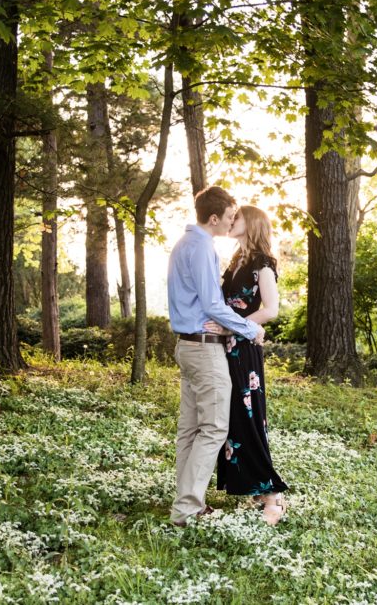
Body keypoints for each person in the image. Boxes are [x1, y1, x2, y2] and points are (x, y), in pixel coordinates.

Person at [167, 186, 266, 527]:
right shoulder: (202, 247)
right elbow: (212, 304)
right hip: (204, 348)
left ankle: (185, 502)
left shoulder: (183, 244)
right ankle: (188, 508)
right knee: (213, 428)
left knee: (190, 429)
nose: (230, 223)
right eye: (227, 217)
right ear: (213, 218)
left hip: (186, 344)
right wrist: (250, 329)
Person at [205, 205, 289, 526]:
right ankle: (254, 488)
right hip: (227, 348)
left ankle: (273, 496)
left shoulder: (261, 263)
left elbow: (271, 309)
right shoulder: (237, 259)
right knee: (231, 419)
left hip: (243, 350)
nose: (231, 220)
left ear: (250, 223)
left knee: (247, 418)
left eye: (236, 216)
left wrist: (234, 327)